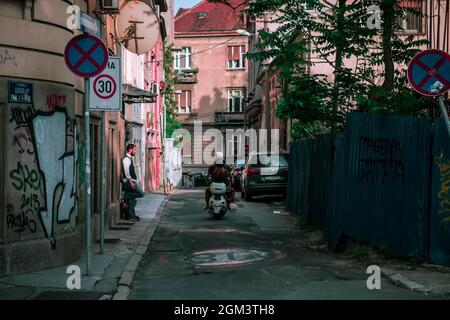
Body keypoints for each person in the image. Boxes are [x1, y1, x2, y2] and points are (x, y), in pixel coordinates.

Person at [122, 144, 145, 221]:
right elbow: (126, 171)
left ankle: (131, 216)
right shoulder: (126, 159)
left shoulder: (130, 159)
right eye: (134, 150)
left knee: (132, 200)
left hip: (132, 181)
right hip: (129, 182)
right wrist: (131, 182)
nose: (135, 151)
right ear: (130, 150)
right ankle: (125, 196)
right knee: (141, 193)